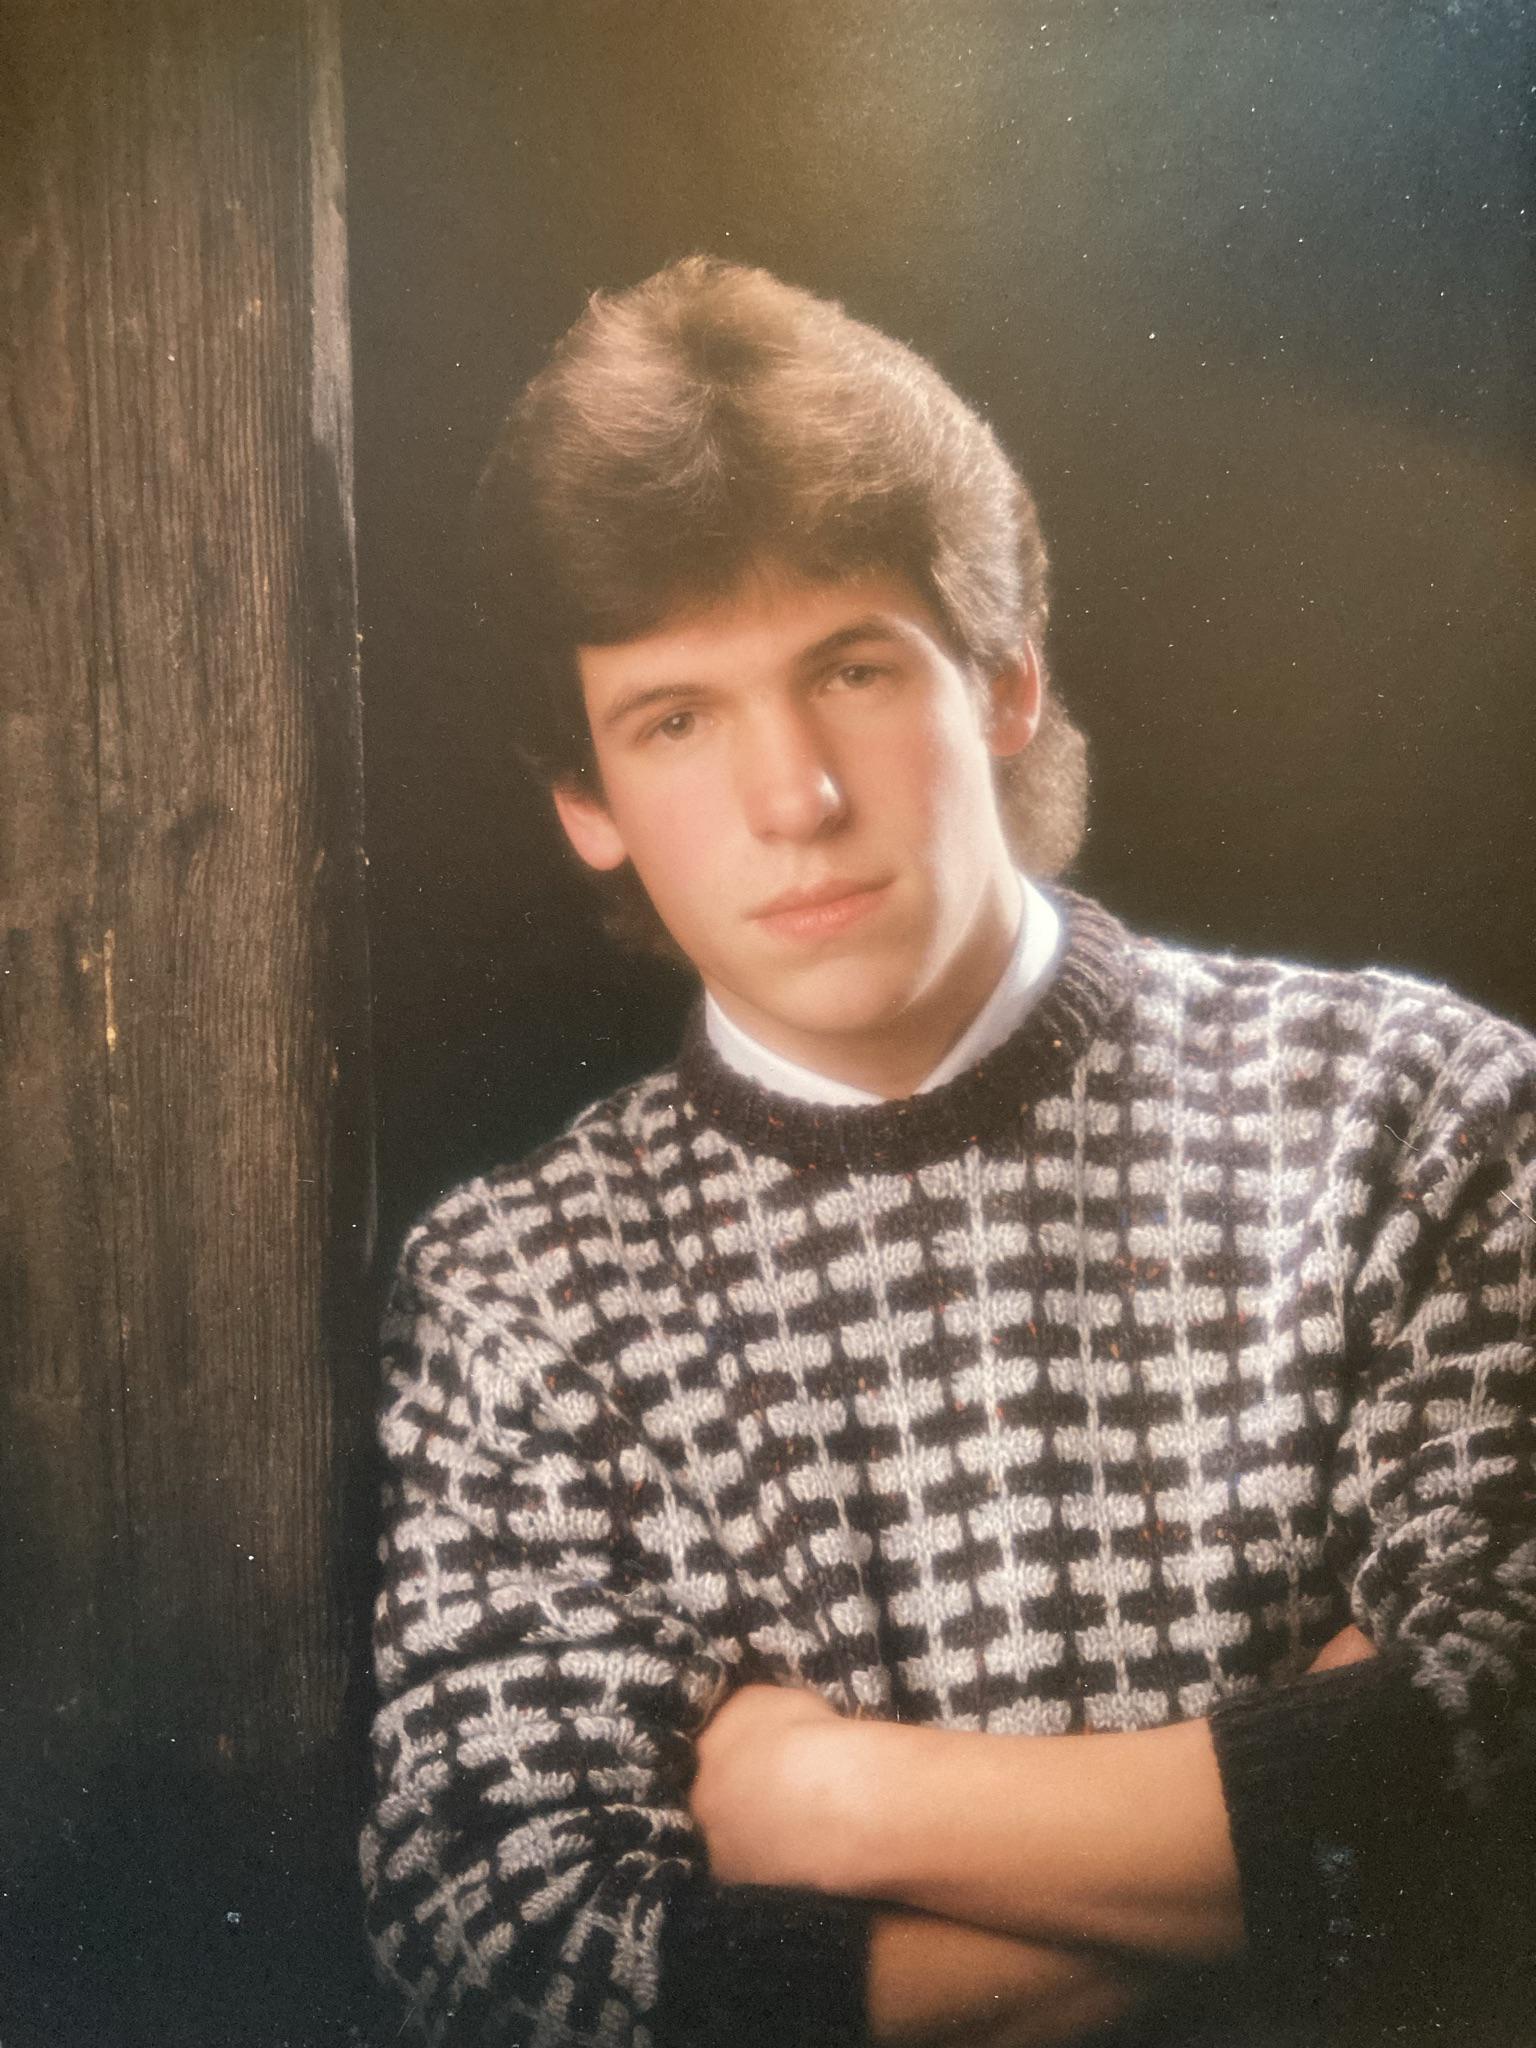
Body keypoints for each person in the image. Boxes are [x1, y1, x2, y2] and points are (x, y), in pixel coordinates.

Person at [359, 257, 1536, 2048]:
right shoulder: (521, 1294)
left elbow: (1510, 1729)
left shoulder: (1418, 1112)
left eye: (850, 669)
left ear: (1003, 681)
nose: (796, 799)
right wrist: (1309, 1864)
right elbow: (504, 1946)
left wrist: (836, 1803)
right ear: (585, 803)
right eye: (676, 718)